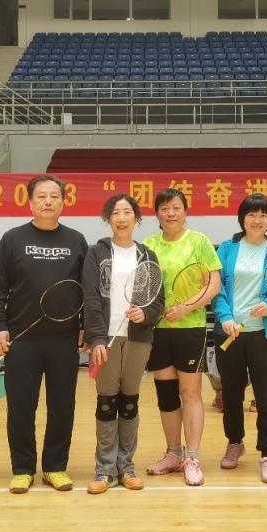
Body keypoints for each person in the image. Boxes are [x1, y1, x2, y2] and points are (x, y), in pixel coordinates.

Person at [0, 175, 89, 493]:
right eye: (42, 196)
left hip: (64, 339)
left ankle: (55, 467)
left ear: (63, 202)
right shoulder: (12, 239)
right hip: (22, 339)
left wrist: (86, 325)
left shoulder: (76, 240)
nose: (48, 201)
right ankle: (23, 468)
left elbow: (87, 289)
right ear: (30, 202)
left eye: (54, 196)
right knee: (21, 407)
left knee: (62, 406)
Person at [81, 194, 164, 494]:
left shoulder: (147, 255)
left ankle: (126, 467)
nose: (121, 218)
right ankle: (104, 470)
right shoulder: (96, 253)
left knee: (129, 402)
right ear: (108, 219)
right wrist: (96, 338)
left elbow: (158, 301)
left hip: (138, 338)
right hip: (106, 339)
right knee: (107, 402)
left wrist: (146, 314)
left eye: (127, 212)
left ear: (136, 219)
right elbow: (90, 298)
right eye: (115, 212)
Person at [143, 188, 222, 486]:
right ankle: (173, 453)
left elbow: (213, 284)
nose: (171, 213)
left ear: (185, 211)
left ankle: (193, 457)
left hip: (190, 328)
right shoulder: (149, 245)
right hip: (157, 330)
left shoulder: (199, 241)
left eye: (176, 207)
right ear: (157, 214)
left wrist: (186, 307)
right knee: (166, 394)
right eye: (164, 208)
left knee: (190, 392)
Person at [212, 194, 267, 484]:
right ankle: (235, 442)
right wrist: (225, 316)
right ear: (242, 219)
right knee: (231, 396)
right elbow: (216, 288)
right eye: (251, 214)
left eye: (263, 215)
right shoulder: (227, 249)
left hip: (264, 335)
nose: (257, 220)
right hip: (231, 334)